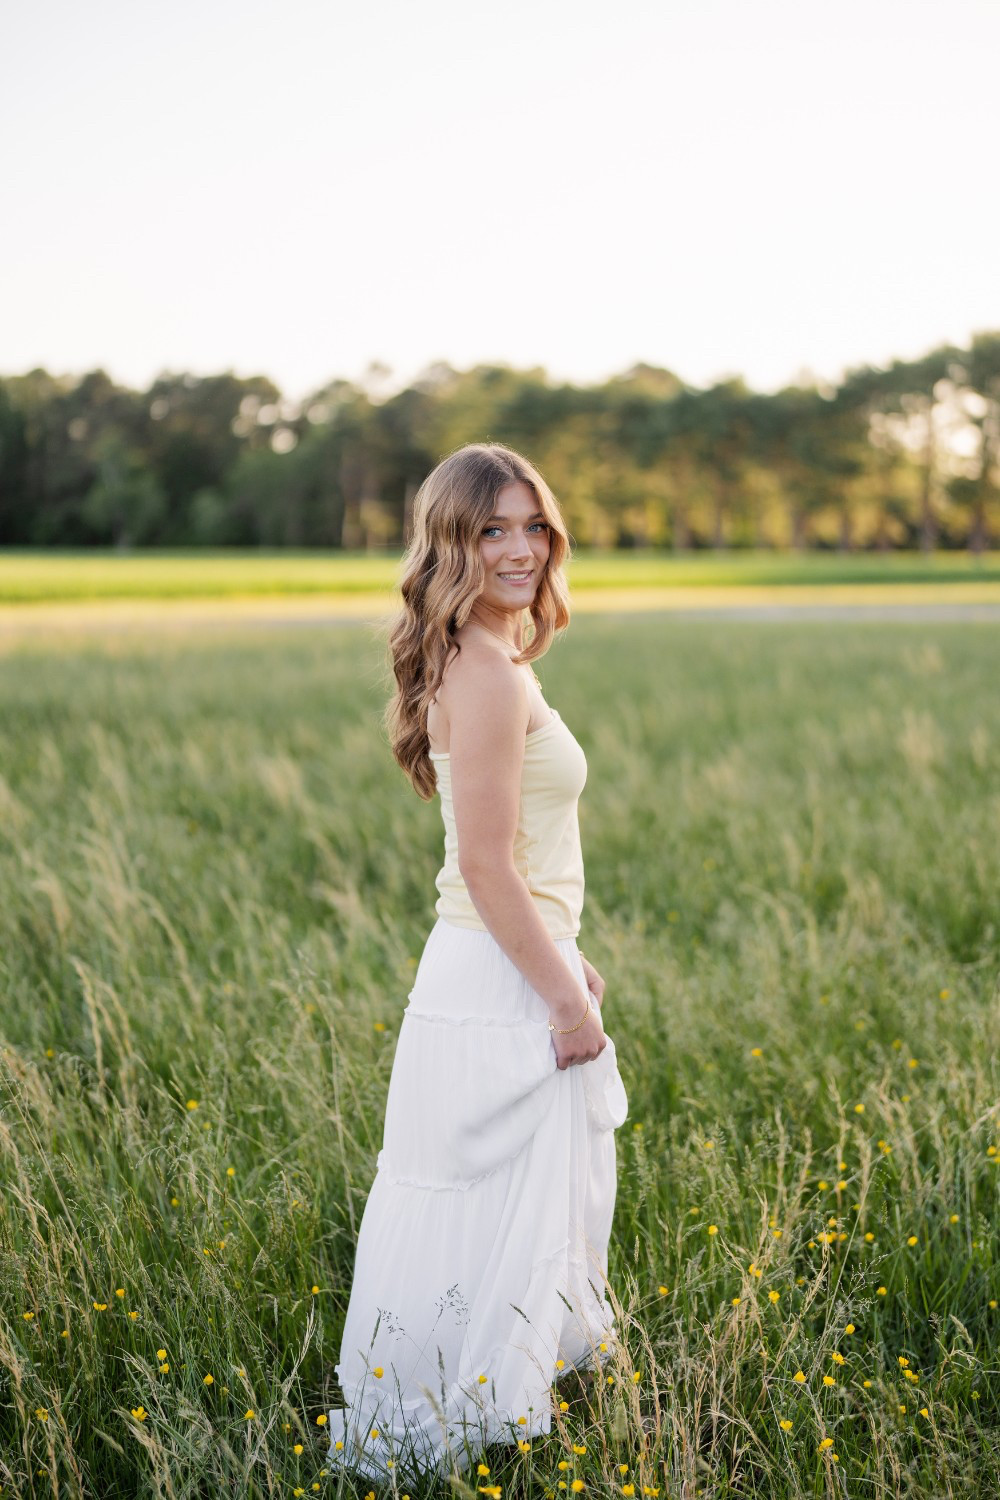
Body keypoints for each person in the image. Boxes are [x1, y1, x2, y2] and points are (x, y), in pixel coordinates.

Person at [327, 442, 628, 1484]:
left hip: (497, 963)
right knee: (484, 1199)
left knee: (483, 1199)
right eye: (489, 529)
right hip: (496, 979)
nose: (517, 548)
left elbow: (518, 868)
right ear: (449, 545)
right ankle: (447, 1435)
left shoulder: (485, 653)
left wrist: (566, 958)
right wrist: (561, 998)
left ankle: (458, 1427)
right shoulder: (487, 670)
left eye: (532, 525)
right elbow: (486, 866)